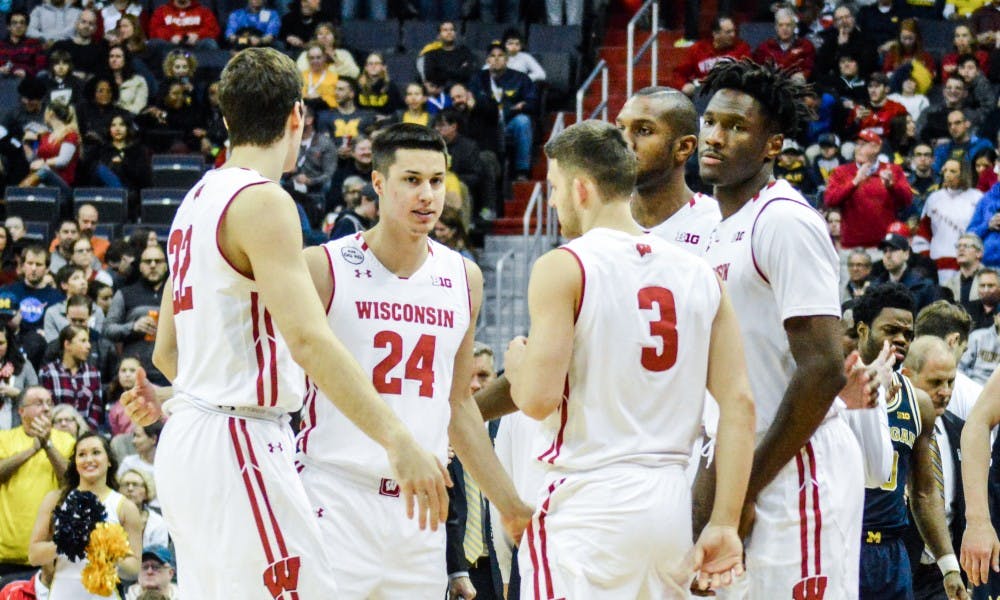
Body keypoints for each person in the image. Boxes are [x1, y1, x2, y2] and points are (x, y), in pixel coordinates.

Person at [121, 47, 449, 598]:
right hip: (241, 442)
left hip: (192, 439)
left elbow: (167, 352)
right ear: (299, 115)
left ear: (226, 119)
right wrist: (398, 439)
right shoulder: (263, 200)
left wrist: (194, 397)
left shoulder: (196, 199)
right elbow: (306, 339)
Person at [497, 118, 754, 597]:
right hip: (669, 504)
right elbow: (740, 404)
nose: (552, 202)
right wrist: (725, 521)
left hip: (589, 502)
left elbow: (535, 401)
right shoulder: (699, 274)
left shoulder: (564, 265)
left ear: (580, 189)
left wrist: (516, 365)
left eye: (553, 189)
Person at [293, 122, 527, 597]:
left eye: (437, 181)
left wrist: (511, 505)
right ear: (379, 183)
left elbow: (458, 408)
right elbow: (275, 376)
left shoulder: (464, 278)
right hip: (334, 494)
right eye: (412, 180)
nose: (427, 195)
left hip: (421, 512)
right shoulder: (323, 266)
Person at [696, 59, 863, 597]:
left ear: (772, 146)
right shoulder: (719, 230)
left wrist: (743, 486)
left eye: (737, 127)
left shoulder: (785, 222)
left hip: (794, 467)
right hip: (742, 461)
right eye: (711, 122)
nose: (716, 137)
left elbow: (823, 369)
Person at [851, 284, 964, 599]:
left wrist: (949, 565)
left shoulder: (918, 402)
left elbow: (925, 492)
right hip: (844, 544)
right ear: (862, 330)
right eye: (890, 330)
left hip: (892, 551)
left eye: (907, 333)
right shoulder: (834, 388)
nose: (901, 338)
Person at [27, 432, 142, 598]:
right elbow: (34, 556)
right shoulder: (55, 500)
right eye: (81, 454)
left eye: (96, 452)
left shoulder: (125, 507)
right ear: (75, 463)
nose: (88, 460)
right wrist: (66, 544)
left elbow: (133, 570)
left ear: (109, 460)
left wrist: (103, 548)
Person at [615, 86, 721, 256]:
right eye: (620, 128)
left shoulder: (716, 226)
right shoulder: (602, 222)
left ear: (683, 147)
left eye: (644, 131)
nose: (625, 142)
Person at [0, 387, 72, 580]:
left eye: (49, 403)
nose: (47, 409)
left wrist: (47, 446)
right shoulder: (4, 438)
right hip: (6, 555)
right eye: (39, 403)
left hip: (50, 554)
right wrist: (32, 450)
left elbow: (71, 482)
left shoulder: (66, 440)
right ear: (21, 410)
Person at [824, 129, 913, 250]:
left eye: (863, 144)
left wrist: (892, 186)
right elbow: (830, 200)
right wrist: (854, 182)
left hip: (883, 246)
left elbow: (907, 200)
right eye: (857, 144)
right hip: (851, 246)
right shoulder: (841, 172)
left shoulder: (893, 170)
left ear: (876, 148)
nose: (857, 148)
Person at [468, 42, 536, 182]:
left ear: (507, 59)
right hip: (487, 125)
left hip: (510, 122)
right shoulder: (478, 79)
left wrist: (524, 106)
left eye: (500, 55)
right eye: (492, 56)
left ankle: (522, 171)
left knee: (523, 121)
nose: (496, 59)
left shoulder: (521, 78)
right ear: (487, 60)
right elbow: (471, 102)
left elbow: (533, 102)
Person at [102, 244, 166, 385]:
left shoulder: (177, 294)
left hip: (170, 374)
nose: (153, 265)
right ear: (140, 265)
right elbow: (107, 329)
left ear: (166, 265)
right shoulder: (125, 293)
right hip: (133, 374)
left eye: (158, 261)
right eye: (148, 261)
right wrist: (133, 327)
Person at [913, 158, 983, 284]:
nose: (947, 175)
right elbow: (923, 234)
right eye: (945, 170)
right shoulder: (934, 199)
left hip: (970, 264)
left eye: (953, 171)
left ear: (964, 173)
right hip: (939, 264)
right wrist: (926, 261)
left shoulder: (977, 197)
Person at [39, 324, 102, 432]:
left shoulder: (93, 373)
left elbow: (96, 408)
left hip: (85, 434)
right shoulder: (48, 373)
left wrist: (86, 432)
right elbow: (46, 408)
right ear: (67, 344)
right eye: (83, 341)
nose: (89, 346)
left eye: (88, 341)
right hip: (56, 432)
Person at [671, 17, 752, 97]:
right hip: (704, 94)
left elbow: (748, 73)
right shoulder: (698, 49)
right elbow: (679, 73)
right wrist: (683, 86)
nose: (733, 35)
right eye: (728, 32)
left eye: (734, 31)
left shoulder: (742, 48)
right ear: (715, 34)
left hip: (732, 95)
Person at [872, 233, 940, 311]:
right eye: (884, 251)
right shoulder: (875, 287)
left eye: (893, 250)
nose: (888, 255)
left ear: (906, 254)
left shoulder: (924, 286)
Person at [117, 470, 169, 552]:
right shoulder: (110, 517)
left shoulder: (158, 523)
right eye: (125, 485)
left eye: (135, 485)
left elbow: (159, 558)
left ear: (146, 492)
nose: (130, 489)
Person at [147, 0, 220, 49]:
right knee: (153, 44)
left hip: (196, 44)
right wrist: (170, 36)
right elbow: (155, 29)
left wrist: (198, 35)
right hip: (170, 45)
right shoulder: (161, 10)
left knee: (210, 43)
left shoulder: (204, 11)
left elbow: (213, 29)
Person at [0, 12, 47, 80]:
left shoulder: (35, 44)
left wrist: (27, 72)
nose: (18, 26)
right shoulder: (1, 45)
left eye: (22, 23)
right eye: (14, 23)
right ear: (8, 27)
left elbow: (41, 66)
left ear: (27, 27)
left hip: (27, 81)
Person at [945, 232, 987, 306]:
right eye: (958, 246)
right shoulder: (949, 284)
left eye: (966, 246)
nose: (961, 249)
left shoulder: (993, 279)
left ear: (979, 253)